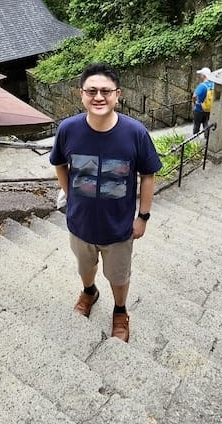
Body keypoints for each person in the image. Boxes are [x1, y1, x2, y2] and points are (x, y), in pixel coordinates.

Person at [50, 62, 162, 342]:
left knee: (119, 275)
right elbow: (59, 163)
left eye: (105, 91)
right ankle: (89, 292)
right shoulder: (68, 129)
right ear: (81, 94)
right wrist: (70, 195)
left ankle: (120, 311)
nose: (98, 97)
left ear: (117, 95)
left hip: (118, 228)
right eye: (91, 91)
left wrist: (143, 216)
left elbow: (148, 175)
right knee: (84, 267)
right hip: (80, 223)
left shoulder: (135, 133)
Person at [192, 67, 214, 134]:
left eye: (201, 74)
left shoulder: (202, 86)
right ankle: (207, 138)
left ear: (204, 75)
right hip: (209, 109)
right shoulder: (213, 85)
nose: (200, 76)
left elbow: (194, 96)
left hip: (199, 109)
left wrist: (195, 103)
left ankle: (195, 138)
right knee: (206, 125)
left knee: (196, 126)